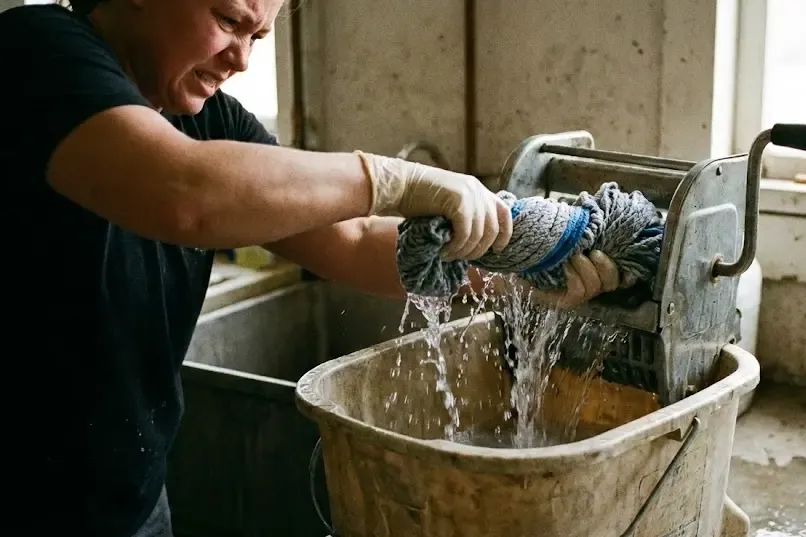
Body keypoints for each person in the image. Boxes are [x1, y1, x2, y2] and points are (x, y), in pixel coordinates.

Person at [0, 0, 622, 535]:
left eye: (258, 37)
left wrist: (522, 267)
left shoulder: (207, 118)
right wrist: (394, 179)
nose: (240, 60)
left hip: (130, 504)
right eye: (227, 20)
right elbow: (184, 191)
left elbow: (349, 238)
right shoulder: (36, 53)